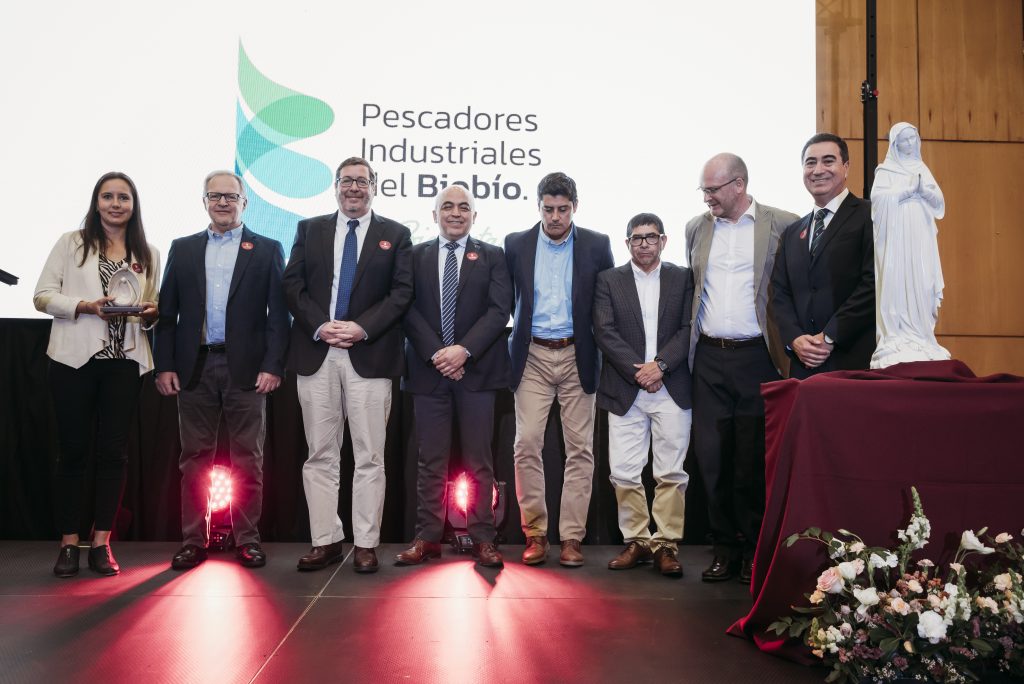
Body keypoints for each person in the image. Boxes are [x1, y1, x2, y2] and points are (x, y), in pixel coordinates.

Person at [283, 156, 413, 573]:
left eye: (362, 181)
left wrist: (361, 328)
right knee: (320, 454)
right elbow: (292, 285)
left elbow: (401, 293)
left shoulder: (396, 234)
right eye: (346, 181)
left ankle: (366, 543)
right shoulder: (309, 229)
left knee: (370, 456)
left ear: (375, 186)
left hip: (370, 356)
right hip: (317, 352)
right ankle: (326, 541)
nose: (354, 188)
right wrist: (321, 326)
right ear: (336, 186)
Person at [155, 170, 288, 571]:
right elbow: (167, 315)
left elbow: (278, 317)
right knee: (194, 458)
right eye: (215, 196)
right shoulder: (183, 248)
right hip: (193, 366)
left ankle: (247, 540)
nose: (223, 203)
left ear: (244, 203)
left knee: (249, 457)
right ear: (204, 202)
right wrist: (164, 365)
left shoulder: (266, 249)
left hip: (246, 369)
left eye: (231, 196)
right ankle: (193, 541)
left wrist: (273, 365)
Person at [34, 172, 159, 577]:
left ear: (134, 205)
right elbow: (42, 296)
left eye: (123, 197)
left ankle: (102, 542)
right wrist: (85, 306)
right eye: (108, 197)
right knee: (72, 451)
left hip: (124, 361)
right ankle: (69, 543)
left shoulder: (148, 252)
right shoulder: (71, 243)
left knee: (114, 453)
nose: (115, 204)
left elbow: (151, 306)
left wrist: (152, 313)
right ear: (96, 202)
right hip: (73, 361)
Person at [685, 154, 799, 583]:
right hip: (708, 359)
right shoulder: (696, 228)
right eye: (704, 190)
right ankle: (723, 549)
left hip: (758, 358)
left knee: (751, 461)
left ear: (739, 185)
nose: (706, 198)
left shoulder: (783, 224)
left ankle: (754, 550)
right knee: (712, 460)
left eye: (712, 190)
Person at [396, 185, 511, 569]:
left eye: (464, 207)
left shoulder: (493, 255)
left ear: (474, 216)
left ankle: (483, 538)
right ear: (435, 215)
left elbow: (499, 311)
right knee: (430, 460)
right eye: (448, 206)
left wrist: (463, 351)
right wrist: (438, 354)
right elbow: (406, 308)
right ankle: (427, 537)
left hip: (477, 371)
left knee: (480, 461)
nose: (456, 213)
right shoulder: (414, 256)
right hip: (428, 373)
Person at [505, 172, 615, 566]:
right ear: (538, 206)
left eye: (563, 209)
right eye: (548, 209)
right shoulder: (515, 244)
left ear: (575, 207)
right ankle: (535, 534)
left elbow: (605, 302)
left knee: (580, 450)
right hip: (532, 354)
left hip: (577, 355)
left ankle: (571, 537)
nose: (555, 217)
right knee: (526, 444)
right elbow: (510, 300)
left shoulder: (598, 245)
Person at [593, 213, 693, 578]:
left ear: (663, 241)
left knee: (671, 472)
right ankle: (636, 539)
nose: (644, 244)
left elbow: (689, 327)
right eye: (637, 238)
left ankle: (666, 544)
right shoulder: (609, 280)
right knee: (623, 472)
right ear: (627, 243)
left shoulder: (683, 278)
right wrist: (640, 372)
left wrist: (661, 366)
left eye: (651, 237)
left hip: (672, 386)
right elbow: (604, 331)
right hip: (626, 388)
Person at [771, 133, 875, 379]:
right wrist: (795, 339)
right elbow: (780, 293)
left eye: (828, 161)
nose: (818, 170)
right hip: (803, 366)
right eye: (810, 163)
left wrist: (829, 337)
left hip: (854, 362)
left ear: (846, 167)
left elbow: (873, 284)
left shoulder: (870, 216)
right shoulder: (792, 232)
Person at [869, 122, 949, 368]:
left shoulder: (922, 168)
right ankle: (897, 336)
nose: (910, 143)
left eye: (913, 138)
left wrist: (923, 191)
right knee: (897, 281)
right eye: (904, 140)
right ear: (895, 144)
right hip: (896, 238)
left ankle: (923, 336)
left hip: (920, 235)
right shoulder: (886, 171)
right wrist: (905, 191)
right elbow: (877, 201)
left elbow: (939, 203)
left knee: (922, 282)